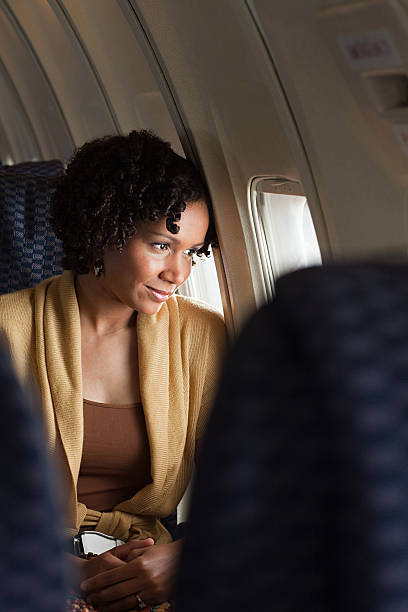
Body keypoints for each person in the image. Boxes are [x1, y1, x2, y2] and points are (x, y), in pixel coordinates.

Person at [0, 130, 226, 611]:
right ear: (105, 230)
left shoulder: (202, 337)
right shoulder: (6, 329)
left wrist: (186, 559)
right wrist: (73, 573)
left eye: (193, 251)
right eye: (162, 245)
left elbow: (248, 484)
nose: (179, 273)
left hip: (150, 560)